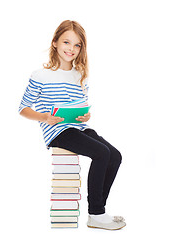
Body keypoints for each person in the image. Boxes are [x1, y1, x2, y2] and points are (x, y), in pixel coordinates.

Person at [19, 20, 126, 230]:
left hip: (78, 128)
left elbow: (81, 106)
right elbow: (23, 108)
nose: (71, 49)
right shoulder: (41, 76)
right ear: (55, 43)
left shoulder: (80, 75)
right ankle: (96, 213)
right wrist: (44, 117)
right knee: (101, 153)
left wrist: (85, 116)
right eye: (67, 42)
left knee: (115, 155)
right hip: (57, 131)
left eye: (77, 45)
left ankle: (98, 211)